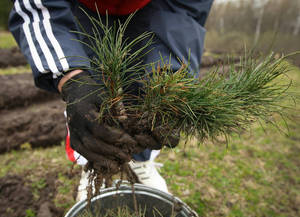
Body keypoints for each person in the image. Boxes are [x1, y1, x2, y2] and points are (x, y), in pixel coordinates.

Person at [9, 0, 214, 200]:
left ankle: (139, 162)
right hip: (81, 6)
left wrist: (169, 76)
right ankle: (95, 169)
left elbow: (184, 10)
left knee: (145, 94)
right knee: (91, 100)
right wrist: (71, 77)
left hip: (152, 6)